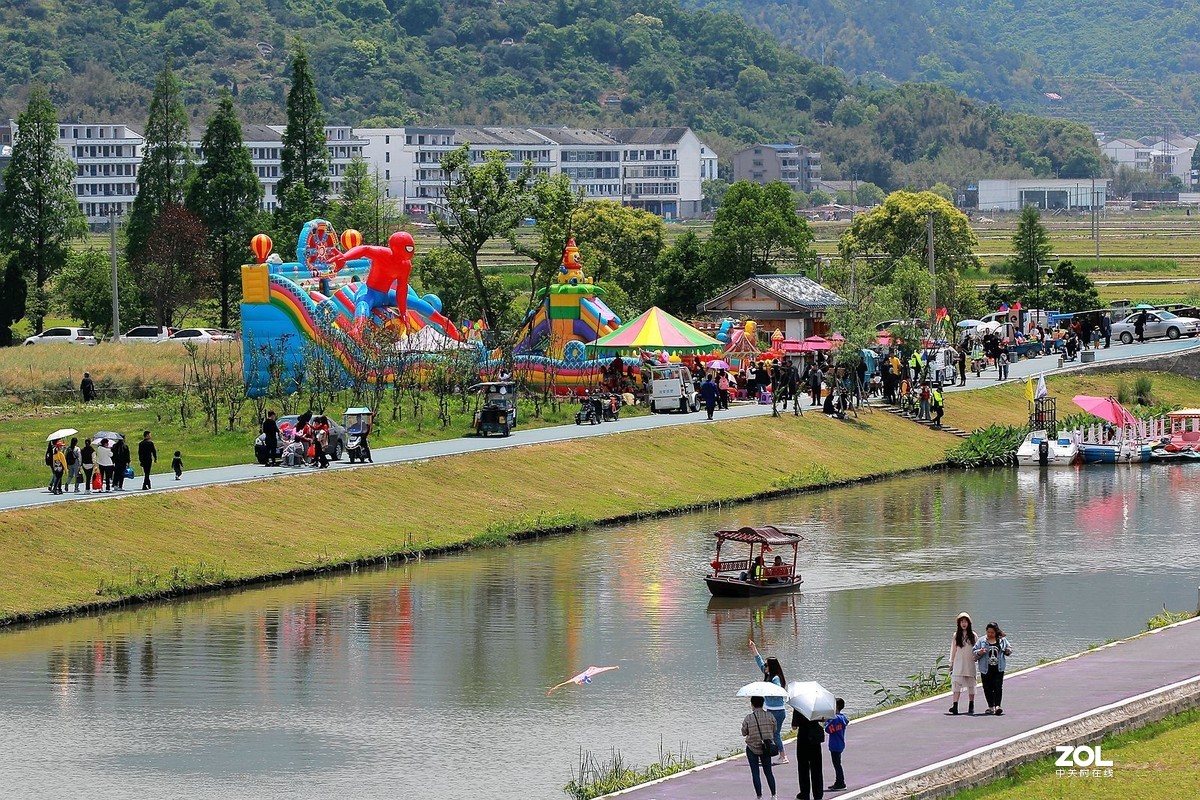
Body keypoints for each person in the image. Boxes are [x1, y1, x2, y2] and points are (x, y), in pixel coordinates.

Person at [750, 639, 789, 766]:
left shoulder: (775, 678)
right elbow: (759, 661)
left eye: (767, 665)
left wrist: (767, 689)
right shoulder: (768, 675)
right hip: (771, 709)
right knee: (771, 734)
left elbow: (778, 690)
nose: (764, 667)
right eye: (765, 665)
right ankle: (774, 754)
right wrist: (753, 648)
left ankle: (783, 756)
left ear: (771, 667)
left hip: (777, 711)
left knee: (775, 734)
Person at [741, 695, 779, 800]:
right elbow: (775, 729)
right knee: (768, 772)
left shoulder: (749, 718)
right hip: (766, 748)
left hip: (752, 747)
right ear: (763, 703)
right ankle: (774, 795)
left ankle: (759, 796)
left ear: (752, 704)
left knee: (755, 773)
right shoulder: (770, 716)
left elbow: (744, 732)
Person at [974, 622, 1013, 716]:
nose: (990, 634)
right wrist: (980, 652)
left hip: (998, 668)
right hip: (985, 668)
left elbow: (1009, 648)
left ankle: (998, 706)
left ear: (996, 632)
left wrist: (1008, 651)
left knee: (998, 686)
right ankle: (991, 706)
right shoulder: (982, 641)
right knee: (987, 688)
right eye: (988, 632)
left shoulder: (1002, 640)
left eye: (992, 632)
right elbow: (974, 652)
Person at [791, 707, 825, 800]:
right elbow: (823, 719)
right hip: (815, 739)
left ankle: (804, 794)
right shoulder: (817, 706)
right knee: (817, 769)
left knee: (803, 769)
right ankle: (818, 795)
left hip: (803, 739)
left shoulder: (799, 707)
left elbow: (794, 727)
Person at [948, 612, 978, 716]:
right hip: (958, 663)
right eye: (962, 622)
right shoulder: (956, 635)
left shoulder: (973, 635)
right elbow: (953, 650)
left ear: (969, 623)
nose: (964, 624)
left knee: (971, 684)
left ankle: (971, 705)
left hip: (970, 662)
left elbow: (976, 650)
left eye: (965, 621)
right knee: (956, 683)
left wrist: (977, 658)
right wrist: (951, 663)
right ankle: (955, 705)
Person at [825, 698, 849, 792]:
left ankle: (841, 783)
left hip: (834, 744)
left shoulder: (834, 718)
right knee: (837, 764)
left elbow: (828, 729)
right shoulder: (842, 718)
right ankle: (838, 781)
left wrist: (826, 721)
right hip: (840, 743)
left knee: (837, 764)